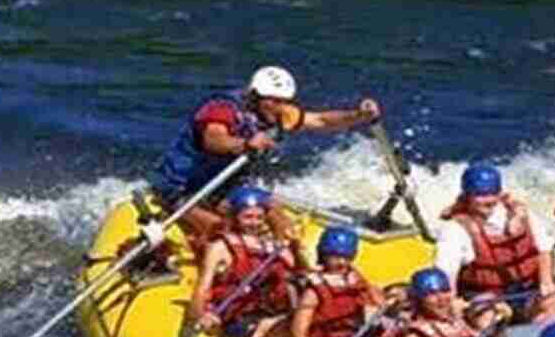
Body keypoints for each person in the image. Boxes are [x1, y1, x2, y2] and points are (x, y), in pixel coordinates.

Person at [150, 65, 381, 245]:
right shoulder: (222, 108)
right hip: (183, 188)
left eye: (283, 101)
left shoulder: (279, 113)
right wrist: (245, 144)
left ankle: (289, 276)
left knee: (280, 219)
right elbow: (214, 139)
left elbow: (320, 120)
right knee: (225, 232)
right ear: (255, 96)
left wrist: (358, 116)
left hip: (226, 185)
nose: (279, 106)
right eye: (273, 100)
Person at [435, 163, 555, 325]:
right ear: (467, 197)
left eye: (492, 194)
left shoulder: (521, 215)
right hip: (486, 296)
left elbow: (545, 248)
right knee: (489, 318)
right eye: (480, 196)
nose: (488, 200)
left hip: (528, 291)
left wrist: (546, 280)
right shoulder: (456, 229)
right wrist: (453, 303)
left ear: (499, 193)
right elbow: (447, 272)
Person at [188, 185, 300, 337]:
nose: (254, 223)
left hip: (269, 313)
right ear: (235, 217)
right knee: (299, 333)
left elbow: (296, 277)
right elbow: (202, 288)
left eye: (259, 218)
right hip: (239, 321)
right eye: (248, 217)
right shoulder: (220, 247)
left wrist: (297, 250)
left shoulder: (273, 247)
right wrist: (200, 315)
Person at [285, 226, 387, 337]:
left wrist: (386, 305)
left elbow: (375, 299)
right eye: (334, 257)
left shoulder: (353, 276)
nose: (341, 263)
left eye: (346, 257)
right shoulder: (313, 292)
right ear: (324, 255)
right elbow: (297, 332)